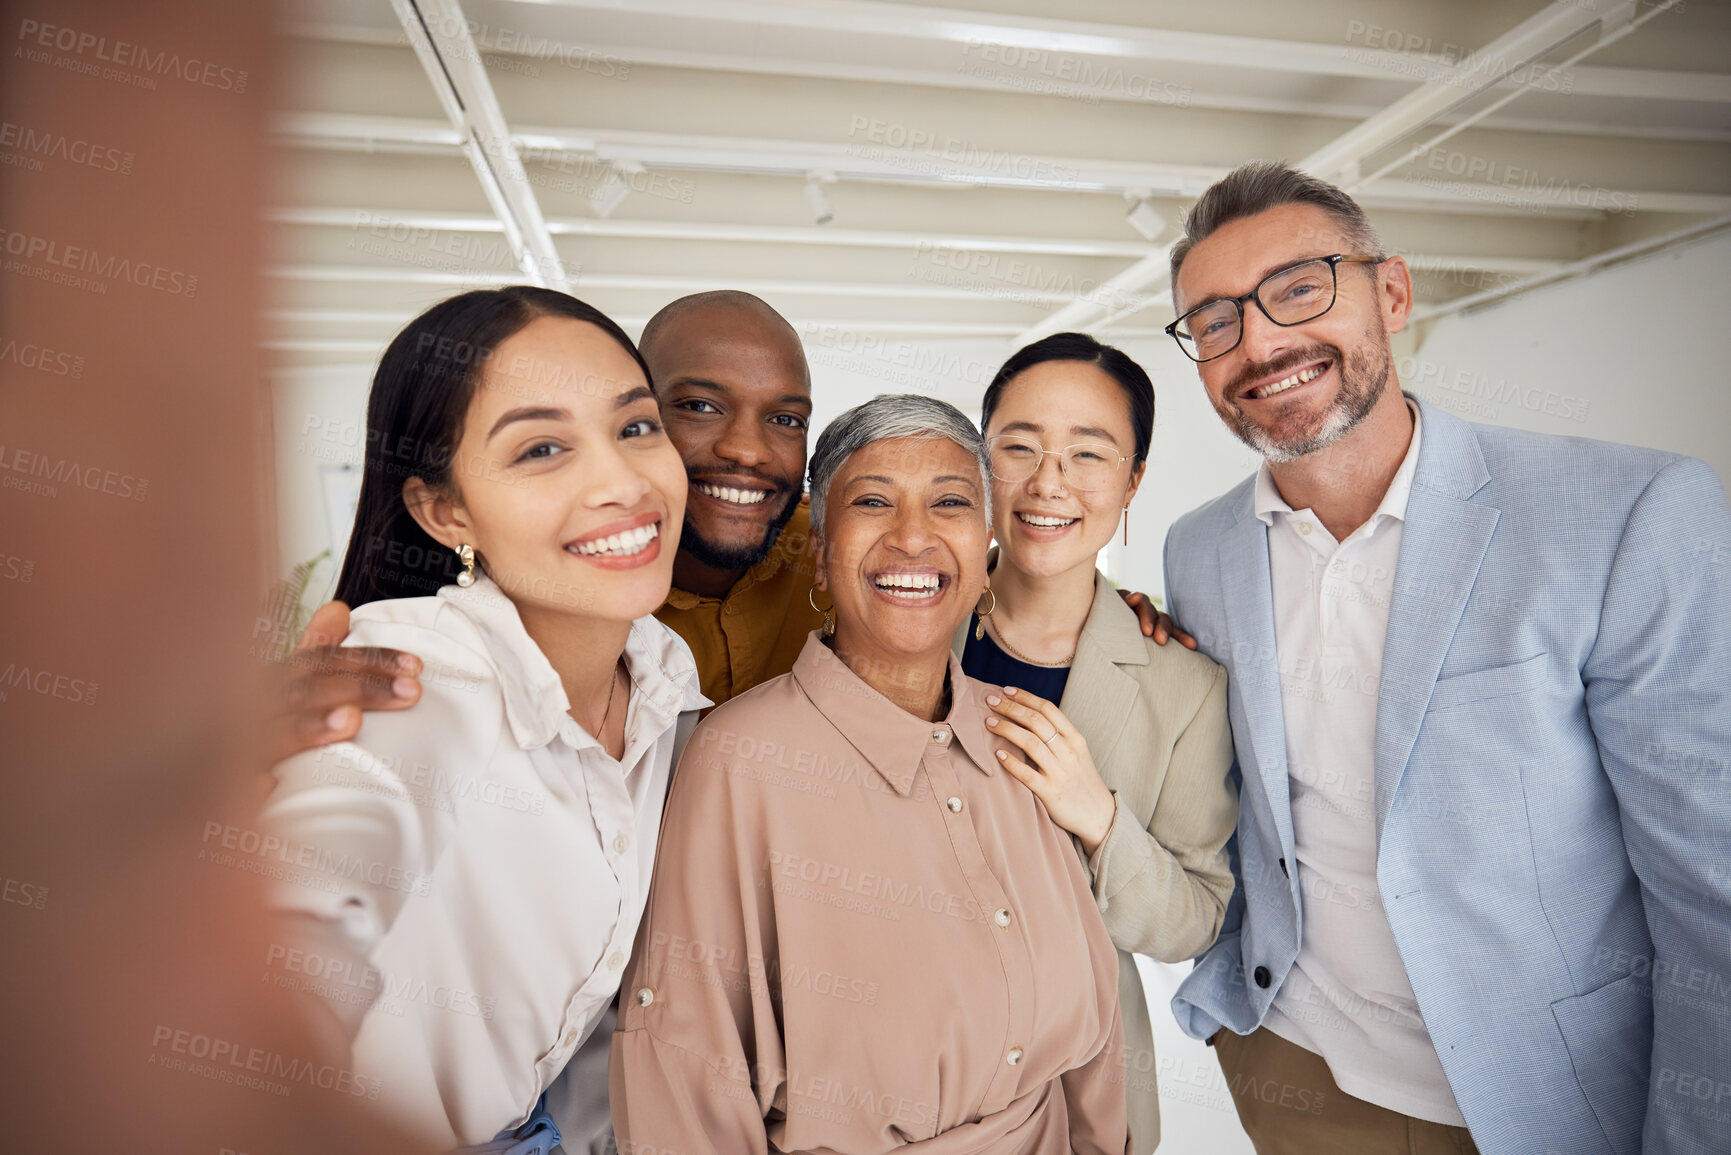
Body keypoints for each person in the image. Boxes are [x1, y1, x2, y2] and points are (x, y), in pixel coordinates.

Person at [1159, 161, 1731, 1155]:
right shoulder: (1196, 550)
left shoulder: (1628, 516)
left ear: (1392, 292)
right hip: (1293, 1068)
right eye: (1214, 322)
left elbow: (1709, 894)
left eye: (1300, 288)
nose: (1261, 341)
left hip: (1544, 1103)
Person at [268, 295, 1184, 749]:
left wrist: (1106, 604)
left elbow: (945, 569)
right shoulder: (523, 619)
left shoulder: (826, 552)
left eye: (786, 418)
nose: (748, 451)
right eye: (693, 407)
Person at [611, 394, 1131, 1154]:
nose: (913, 535)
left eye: (949, 502)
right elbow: (685, 1080)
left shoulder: (1025, 735)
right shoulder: (737, 762)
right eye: (873, 501)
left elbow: (1094, 1046)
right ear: (820, 553)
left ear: (987, 552)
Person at [259, 286, 707, 1153]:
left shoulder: (661, 679)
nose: (620, 482)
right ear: (445, 511)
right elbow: (305, 899)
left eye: (635, 426)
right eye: (543, 448)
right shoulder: (414, 677)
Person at [953, 333, 1237, 1153]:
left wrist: (1100, 818)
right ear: (981, 460)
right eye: (1019, 447)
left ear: (1131, 481)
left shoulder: (1184, 685)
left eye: (1089, 454)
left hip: (1069, 1081)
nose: (1049, 483)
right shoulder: (893, 626)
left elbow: (1195, 918)